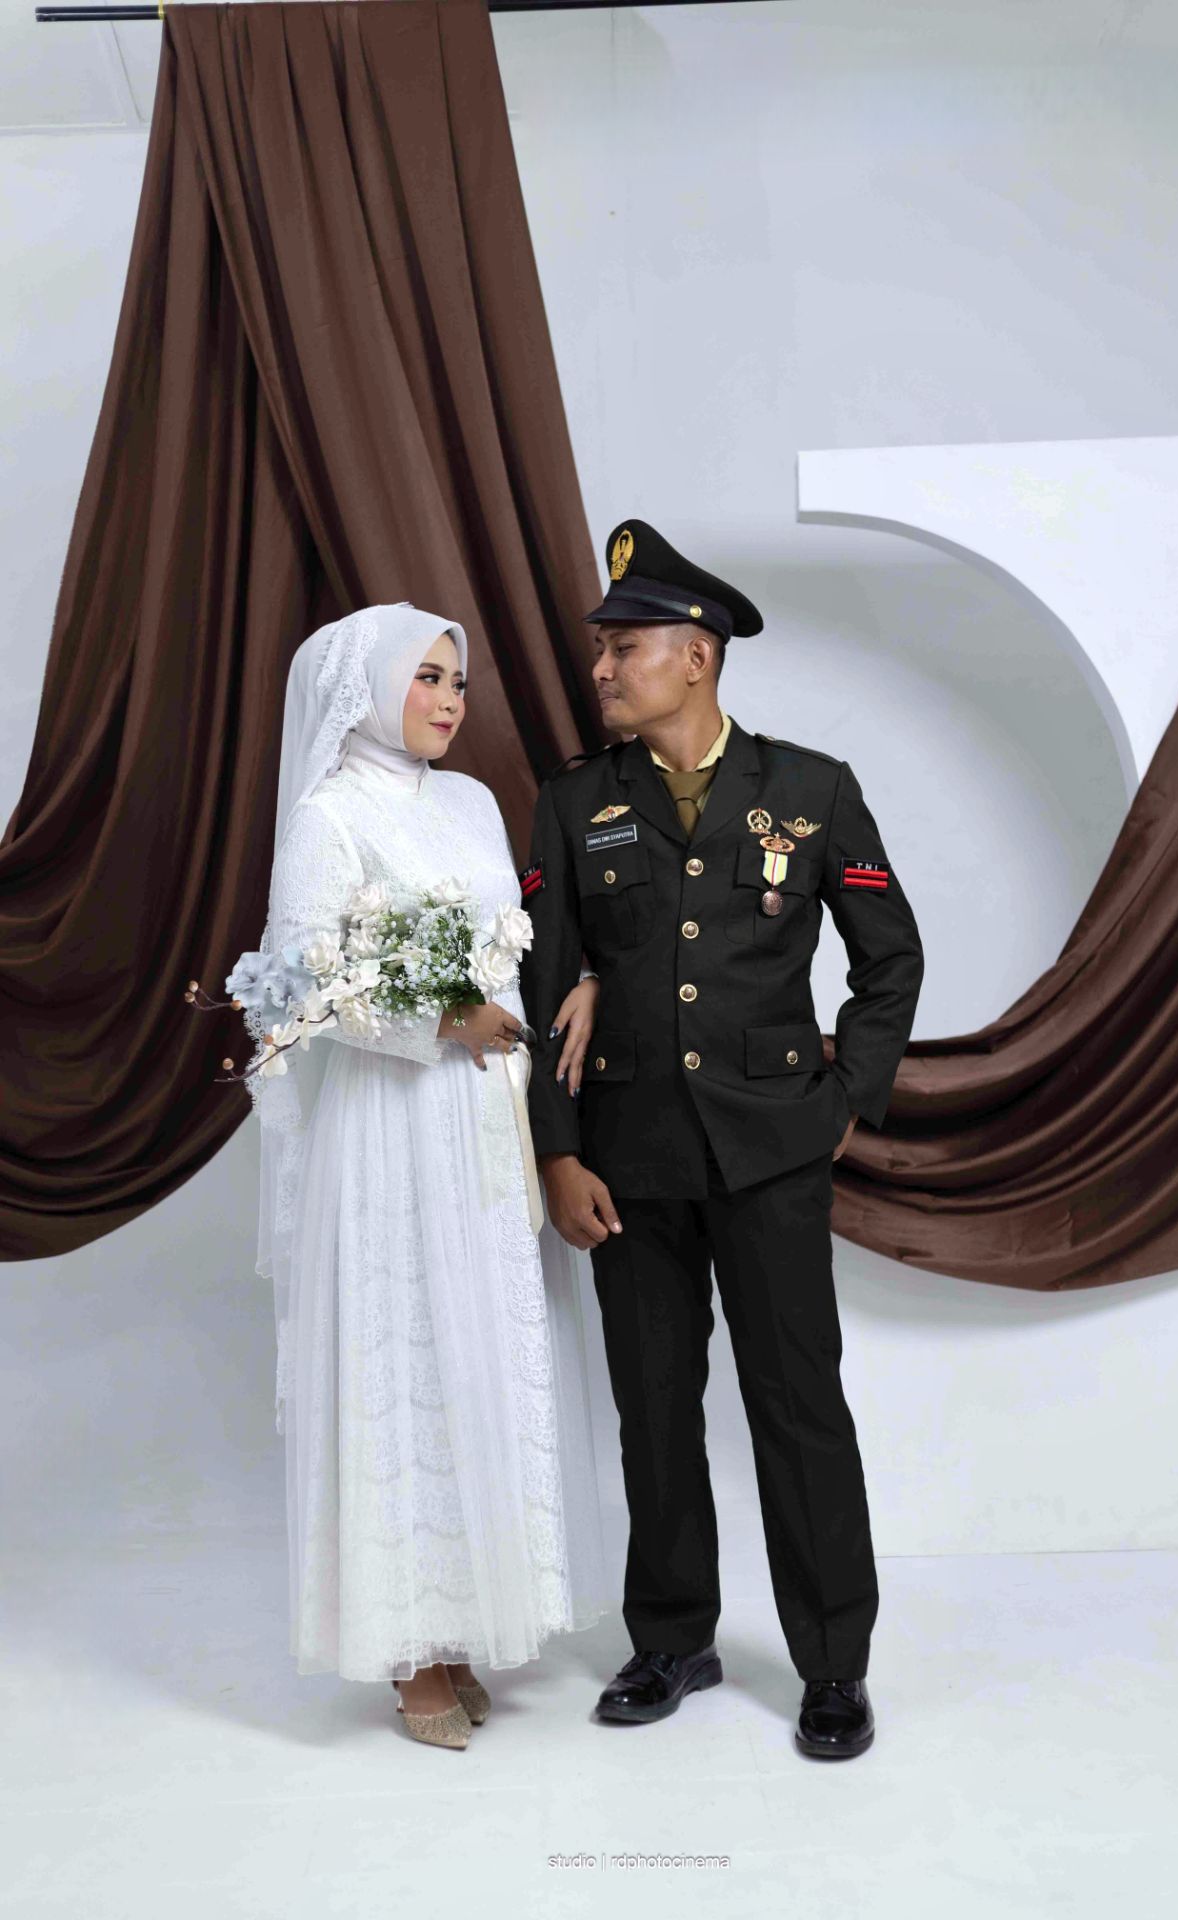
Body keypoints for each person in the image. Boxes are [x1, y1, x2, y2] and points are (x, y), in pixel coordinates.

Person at [518, 521, 924, 1761]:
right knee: (652, 1407)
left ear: (694, 656)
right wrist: (556, 1151)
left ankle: (833, 1664)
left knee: (797, 1406)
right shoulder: (573, 801)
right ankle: (670, 1639)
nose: (601, 668)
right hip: (625, 1158)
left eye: (623, 648)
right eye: (601, 650)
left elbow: (888, 960)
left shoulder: (809, 789)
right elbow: (545, 985)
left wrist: (841, 1102)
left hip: (771, 1155)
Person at [249, 600, 610, 1750]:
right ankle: (407, 1654)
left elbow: (519, 940)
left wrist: (567, 984)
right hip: (391, 1127)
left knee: (478, 1350)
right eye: (427, 677)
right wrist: (439, 1016)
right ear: (366, 689)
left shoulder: (472, 804)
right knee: (403, 1355)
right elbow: (302, 988)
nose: (451, 700)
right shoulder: (327, 817)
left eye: (458, 681)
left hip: (482, 1120)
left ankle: (459, 1625)